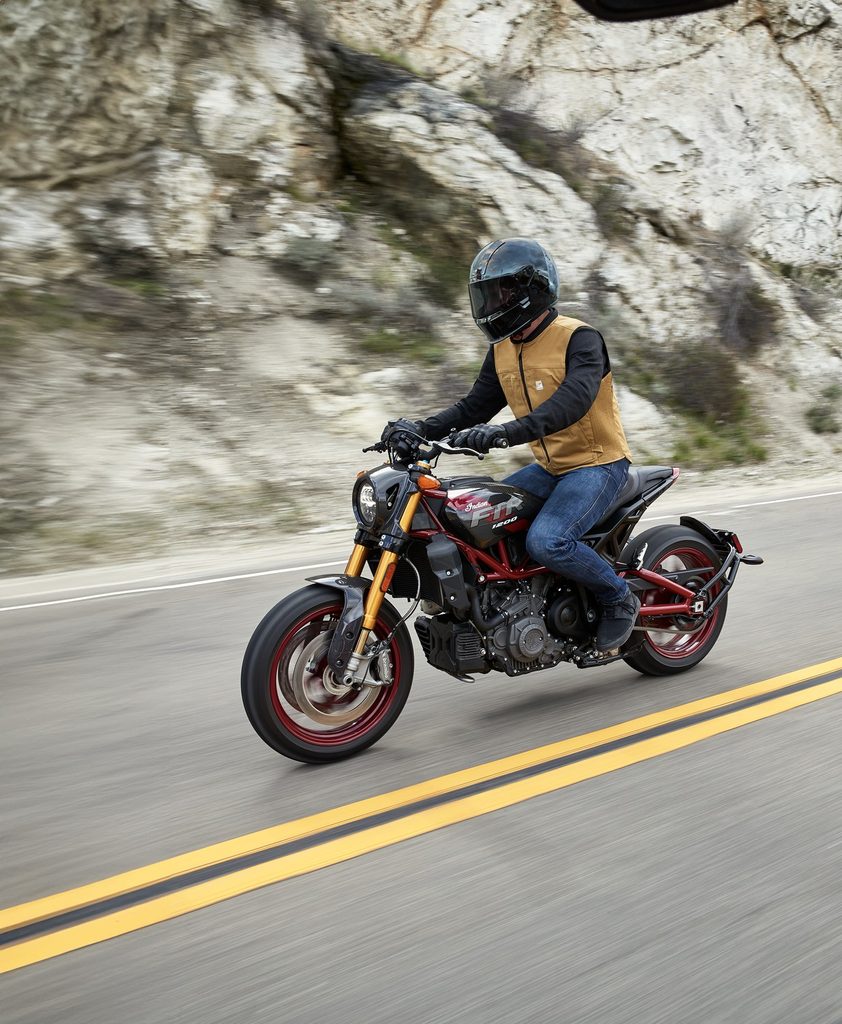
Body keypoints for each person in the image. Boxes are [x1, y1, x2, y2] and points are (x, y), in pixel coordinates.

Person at [383, 237, 640, 651]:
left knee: (547, 541)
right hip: (550, 468)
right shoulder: (503, 347)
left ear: (530, 290)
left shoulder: (579, 338)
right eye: (485, 294)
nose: (491, 303)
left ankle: (618, 597)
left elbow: (573, 401)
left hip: (598, 464)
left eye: (500, 293)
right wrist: (419, 428)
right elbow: (474, 406)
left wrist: (506, 433)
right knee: (472, 518)